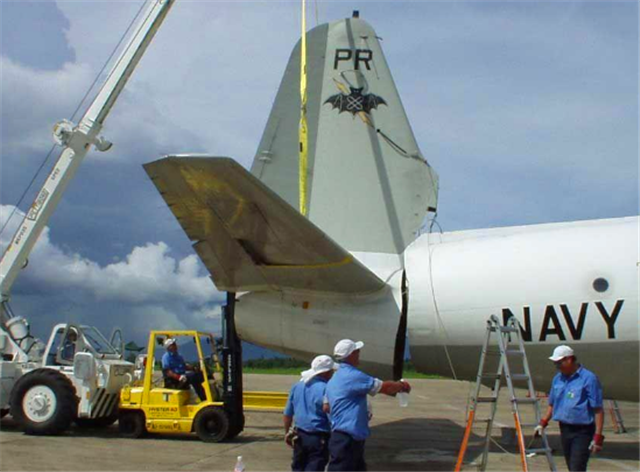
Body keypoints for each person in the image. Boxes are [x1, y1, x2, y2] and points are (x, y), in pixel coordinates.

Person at [324, 339, 411, 471]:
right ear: (351, 355)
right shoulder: (353, 376)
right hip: (348, 439)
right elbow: (384, 387)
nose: (359, 354)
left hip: (343, 437)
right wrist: (401, 385)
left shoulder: (335, 378)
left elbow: (327, 407)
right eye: (357, 351)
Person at [535, 345, 604, 472]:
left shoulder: (588, 378)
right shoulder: (557, 379)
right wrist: (543, 422)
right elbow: (553, 403)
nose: (557, 366)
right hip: (565, 429)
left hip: (583, 431)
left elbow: (598, 409)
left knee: (576, 467)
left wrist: (598, 436)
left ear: (569, 360)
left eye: (559, 363)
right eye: (555, 364)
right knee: (571, 465)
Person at [283, 355, 337, 471]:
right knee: (315, 466)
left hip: (299, 435)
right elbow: (331, 416)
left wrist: (287, 432)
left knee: (298, 466)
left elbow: (287, 414)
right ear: (326, 372)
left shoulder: (297, 386)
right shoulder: (326, 389)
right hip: (318, 437)